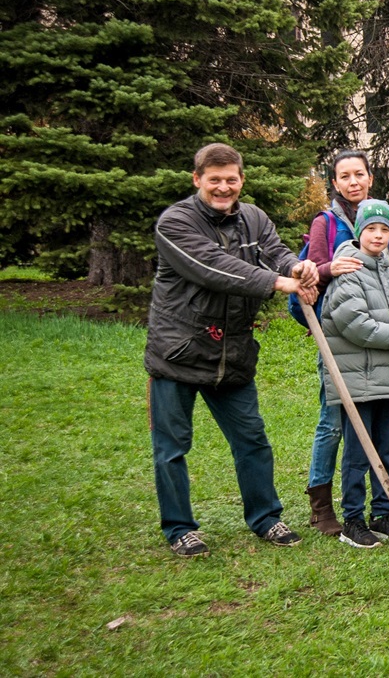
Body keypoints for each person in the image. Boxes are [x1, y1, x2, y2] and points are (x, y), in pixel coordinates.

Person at [146, 143, 316, 557]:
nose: (223, 188)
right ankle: (179, 527)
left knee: (252, 440)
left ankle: (266, 518)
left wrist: (295, 266)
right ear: (197, 180)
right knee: (172, 448)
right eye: (215, 180)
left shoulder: (254, 218)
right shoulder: (176, 223)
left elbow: (274, 251)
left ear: (241, 179)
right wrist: (277, 283)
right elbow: (214, 268)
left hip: (233, 352)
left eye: (231, 180)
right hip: (179, 351)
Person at [304, 150, 389, 537]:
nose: (353, 181)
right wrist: (331, 268)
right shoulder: (327, 226)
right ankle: (341, 513)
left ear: (369, 177)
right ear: (335, 182)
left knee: (385, 445)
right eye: (344, 175)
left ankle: (383, 511)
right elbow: (312, 273)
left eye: (359, 174)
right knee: (344, 437)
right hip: (348, 359)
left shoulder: (385, 265)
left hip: (384, 369)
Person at [319, 200, 389, 548]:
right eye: (371, 229)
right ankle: (353, 520)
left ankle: (383, 512)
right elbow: (359, 327)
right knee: (359, 453)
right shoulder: (347, 273)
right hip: (357, 378)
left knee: (387, 450)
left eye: (384, 230)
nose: (378, 235)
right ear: (359, 232)